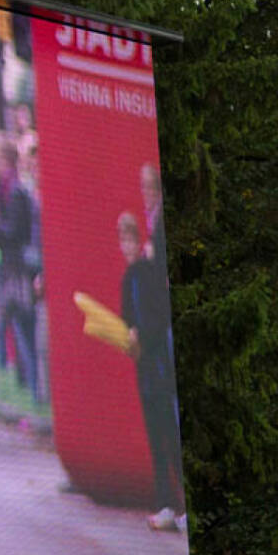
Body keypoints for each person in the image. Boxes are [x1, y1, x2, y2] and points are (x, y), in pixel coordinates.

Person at [117, 212, 185, 532]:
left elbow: (158, 319)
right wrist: (129, 338)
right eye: (123, 240)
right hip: (145, 371)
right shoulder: (127, 278)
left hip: (159, 368)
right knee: (157, 441)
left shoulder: (148, 274)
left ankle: (181, 506)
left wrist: (140, 335)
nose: (127, 246)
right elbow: (127, 321)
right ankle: (166, 505)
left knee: (171, 439)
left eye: (131, 239)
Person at [0, 139, 39, 401]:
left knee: (22, 323)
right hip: (8, 266)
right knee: (13, 322)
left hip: (18, 269)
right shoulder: (3, 187)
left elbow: (14, 231)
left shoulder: (16, 190)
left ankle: (32, 383)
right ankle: (22, 379)